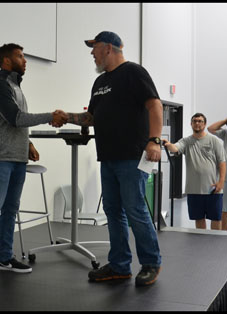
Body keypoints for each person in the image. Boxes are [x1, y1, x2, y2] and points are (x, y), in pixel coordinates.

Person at [58, 31, 163, 286]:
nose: (92, 53)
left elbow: (155, 105)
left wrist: (155, 140)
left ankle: (151, 263)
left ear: (108, 48)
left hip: (131, 155)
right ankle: (119, 265)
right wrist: (67, 116)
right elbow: (91, 118)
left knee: (135, 210)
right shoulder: (99, 83)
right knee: (113, 212)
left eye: (94, 48)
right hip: (108, 157)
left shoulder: (134, 72)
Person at [0, 43, 66, 279]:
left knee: (11, 210)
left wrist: (28, 144)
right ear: (6, 61)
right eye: (20, 56)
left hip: (18, 159)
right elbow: (15, 118)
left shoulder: (17, 88)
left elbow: (15, 125)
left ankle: (5, 258)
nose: (25, 60)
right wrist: (50, 116)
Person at [163, 113, 226, 230]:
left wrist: (221, 182)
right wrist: (168, 144)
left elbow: (222, 163)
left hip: (213, 188)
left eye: (200, 121)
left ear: (204, 123)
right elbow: (175, 148)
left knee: (216, 218)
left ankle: (216, 243)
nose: (197, 123)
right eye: (195, 121)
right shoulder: (186, 141)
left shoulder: (214, 141)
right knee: (199, 218)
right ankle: (201, 243)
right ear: (191, 124)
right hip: (194, 189)